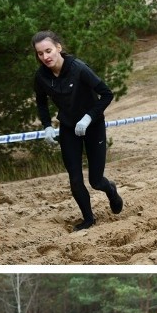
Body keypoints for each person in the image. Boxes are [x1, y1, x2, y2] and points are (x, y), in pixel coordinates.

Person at [33, 30, 123, 231]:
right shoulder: (41, 76)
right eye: (40, 54)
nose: (45, 57)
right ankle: (88, 219)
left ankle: (111, 191)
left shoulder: (79, 68)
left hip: (93, 126)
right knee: (75, 179)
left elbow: (107, 94)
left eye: (48, 51)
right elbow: (41, 102)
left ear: (58, 48)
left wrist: (89, 117)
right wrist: (47, 125)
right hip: (68, 127)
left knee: (96, 180)